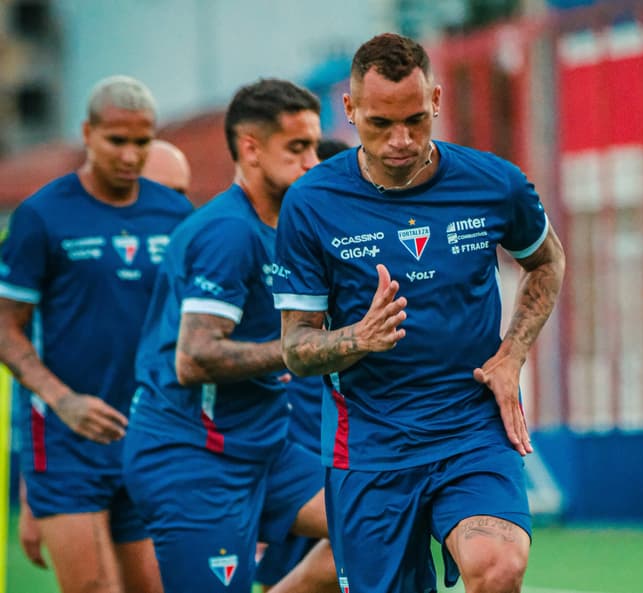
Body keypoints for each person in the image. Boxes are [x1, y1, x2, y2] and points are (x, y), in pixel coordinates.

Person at [273, 33, 566, 593]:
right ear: (350, 111)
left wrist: (512, 356)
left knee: (499, 566)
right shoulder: (311, 204)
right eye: (380, 124)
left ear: (435, 100)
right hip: (370, 441)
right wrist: (359, 337)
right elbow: (296, 348)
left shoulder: (494, 183)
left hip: (471, 426)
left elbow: (546, 262)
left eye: (414, 119)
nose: (401, 140)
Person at [122, 78, 336, 593]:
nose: (313, 161)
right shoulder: (229, 233)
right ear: (251, 149)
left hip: (265, 446)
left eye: (314, 145)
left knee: (376, 523)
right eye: (298, 147)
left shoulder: (289, 226)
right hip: (195, 455)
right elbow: (193, 358)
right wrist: (301, 350)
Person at [0, 75, 193, 593]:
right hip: (66, 440)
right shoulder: (42, 215)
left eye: (141, 141)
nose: (130, 155)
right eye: (117, 141)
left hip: (148, 435)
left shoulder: (176, 214)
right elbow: (5, 325)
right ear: (87, 133)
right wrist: (62, 401)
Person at [254, 137, 350, 592]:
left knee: (366, 540)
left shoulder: (363, 266)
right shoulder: (275, 263)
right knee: (360, 533)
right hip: (290, 458)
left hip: (344, 454)